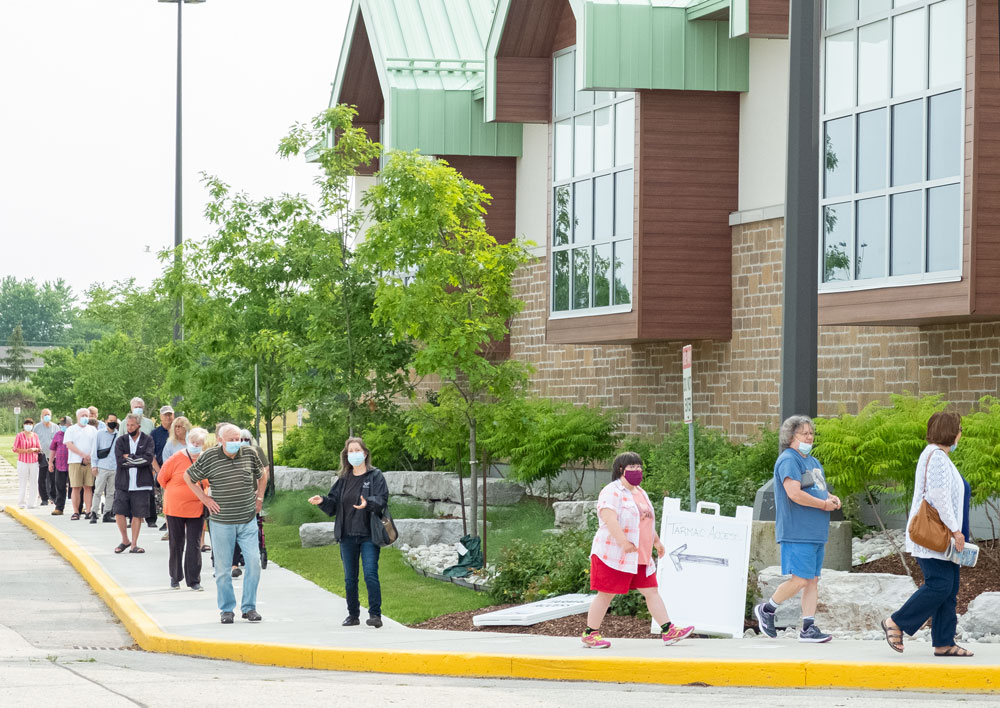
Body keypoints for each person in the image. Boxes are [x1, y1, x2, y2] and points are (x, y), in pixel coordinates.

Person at [881, 412, 973, 657]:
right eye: (959, 429)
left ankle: (944, 642)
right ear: (951, 432)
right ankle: (896, 621)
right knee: (940, 585)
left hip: (945, 538)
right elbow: (939, 497)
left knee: (949, 589)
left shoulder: (940, 456)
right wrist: (955, 530)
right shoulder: (937, 457)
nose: (960, 434)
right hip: (935, 536)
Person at [579, 451, 693, 649]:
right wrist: (623, 542)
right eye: (632, 467)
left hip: (640, 555)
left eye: (639, 467)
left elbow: (645, 521)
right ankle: (590, 634)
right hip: (613, 555)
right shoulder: (611, 491)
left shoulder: (640, 492)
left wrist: (657, 542)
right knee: (606, 594)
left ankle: (668, 631)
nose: (637, 470)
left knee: (651, 591)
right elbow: (609, 518)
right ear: (620, 469)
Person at [754, 415, 842, 643]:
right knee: (801, 579)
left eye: (811, 433)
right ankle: (767, 609)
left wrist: (830, 498)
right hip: (797, 531)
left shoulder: (813, 461)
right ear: (791, 436)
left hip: (815, 531)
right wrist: (823, 505)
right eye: (804, 433)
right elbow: (794, 493)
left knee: (812, 580)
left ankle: (808, 627)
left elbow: (817, 489)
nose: (809, 437)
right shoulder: (789, 460)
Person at [184, 423, 267, 624]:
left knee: (254, 563)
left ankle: (249, 607)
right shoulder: (210, 456)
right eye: (231, 440)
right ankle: (227, 609)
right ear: (220, 440)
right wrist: (205, 499)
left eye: (238, 439)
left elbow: (262, 476)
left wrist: (259, 499)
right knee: (223, 570)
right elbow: (188, 477)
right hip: (222, 521)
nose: (236, 443)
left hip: (247, 519)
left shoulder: (249, 454)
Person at [308, 437, 390, 629]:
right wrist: (322, 501)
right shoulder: (344, 479)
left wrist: (368, 504)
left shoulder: (375, 476)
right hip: (347, 535)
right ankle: (353, 615)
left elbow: (382, 499)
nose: (354, 454)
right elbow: (333, 504)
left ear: (365, 453)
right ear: (346, 455)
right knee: (350, 578)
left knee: (370, 574)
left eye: (357, 450)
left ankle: (375, 615)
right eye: (350, 451)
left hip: (369, 535)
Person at [158, 427, 209, 591]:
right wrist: (176, 491)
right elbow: (162, 479)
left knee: (194, 544)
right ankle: (175, 576)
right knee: (176, 542)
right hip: (175, 507)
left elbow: (209, 481)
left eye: (199, 443)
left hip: (197, 507)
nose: (196, 445)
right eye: (193, 442)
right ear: (188, 442)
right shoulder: (176, 458)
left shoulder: (205, 459)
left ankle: (194, 580)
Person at [112, 413, 155, 554]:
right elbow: (120, 461)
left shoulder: (148, 440)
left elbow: (147, 460)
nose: (129, 428)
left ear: (139, 426)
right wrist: (137, 460)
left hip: (141, 484)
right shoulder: (121, 441)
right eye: (127, 425)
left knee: (138, 514)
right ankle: (125, 540)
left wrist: (129, 457)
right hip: (123, 483)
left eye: (132, 425)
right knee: (119, 512)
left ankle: (134, 544)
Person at [64, 408, 99, 520]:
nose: (84, 417)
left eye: (86, 415)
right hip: (75, 461)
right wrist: (82, 454)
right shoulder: (71, 430)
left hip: (89, 462)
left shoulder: (93, 430)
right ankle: (76, 511)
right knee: (76, 487)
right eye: (82, 415)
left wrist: (89, 456)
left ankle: (88, 511)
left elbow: (96, 444)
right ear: (77, 417)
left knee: (88, 487)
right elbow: (69, 444)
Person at [90, 414, 121, 523]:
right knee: (98, 491)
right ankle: (94, 512)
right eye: (110, 420)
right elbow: (94, 450)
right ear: (106, 421)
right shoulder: (99, 434)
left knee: (111, 492)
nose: (112, 422)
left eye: (114, 421)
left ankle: (107, 513)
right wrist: (94, 465)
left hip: (115, 467)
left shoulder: (118, 435)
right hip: (102, 466)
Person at [13, 418, 41, 509]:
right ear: (24, 425)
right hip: (23, 461)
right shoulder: (19, 435)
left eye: (30, 424)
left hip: (34, 461)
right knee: (23, 482)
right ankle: (22, 502)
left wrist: (34, 449)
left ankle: (32, 503)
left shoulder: (35, 435)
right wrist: (25, 451)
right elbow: (15, 449)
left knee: (34, 482)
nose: (28, 426)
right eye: (27, 424)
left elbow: (39, 448)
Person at [34, 408, 58, 506]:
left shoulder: (55, 427)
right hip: (42, 456)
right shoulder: (37, 427)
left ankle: (54, 497)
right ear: (41, 416)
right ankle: (44, 498)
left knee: (53, 478)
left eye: (48, 414)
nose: (47, 416)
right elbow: (34, 439)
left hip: (53, 456)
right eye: (45, 415)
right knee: (42, 478)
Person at [49, 417, 71, 515]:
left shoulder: (74, 434)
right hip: (60, 465)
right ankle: (59, 508)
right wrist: (50, 462)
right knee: (60, 486)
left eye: (65, 424)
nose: (63, 426)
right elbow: (53, 449)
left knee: (76, 487)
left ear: (70, 425)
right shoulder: (58, 434)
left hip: (72, 464)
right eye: (61, 424)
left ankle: (80, 507)